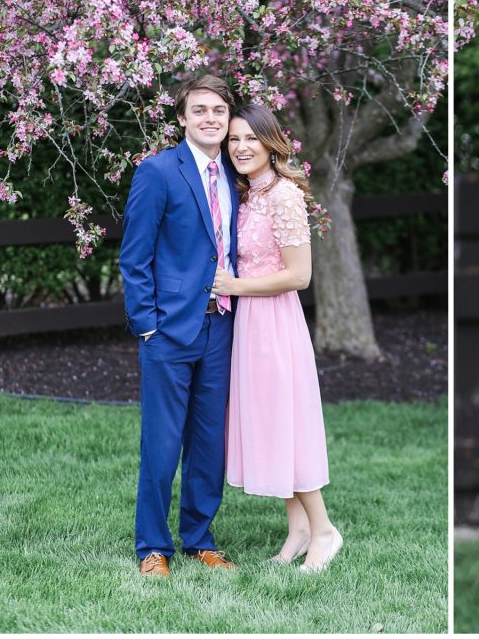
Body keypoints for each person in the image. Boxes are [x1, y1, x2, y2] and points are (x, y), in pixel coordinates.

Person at [120, 74, 241, 576]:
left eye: (219, 110)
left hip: (222, 327)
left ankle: (199, 538)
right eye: (200, 110)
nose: (210, 118)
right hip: (169, 331)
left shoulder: (238, 172)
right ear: (182, 118)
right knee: (163, 441)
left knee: (209, 441)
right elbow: (134, 257)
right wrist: (147, 325)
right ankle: (153, 545)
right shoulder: (157, 171)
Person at [213, 103, 342, 573]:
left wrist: (235, 286)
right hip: (251, 323)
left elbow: (300, 275)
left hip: (274, 323)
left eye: (250, 138)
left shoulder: (284, 196)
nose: (241, 147)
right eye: (234, 140)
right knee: (271, 422)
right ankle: (298, 529)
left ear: (271, 144)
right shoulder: (249, 195)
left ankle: (324, 530)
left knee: (285, 425)